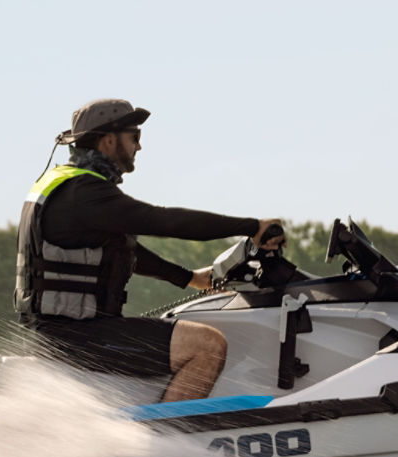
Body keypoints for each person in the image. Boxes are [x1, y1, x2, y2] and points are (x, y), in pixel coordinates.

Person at [14, 98, 283, 402]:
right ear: (109, 140)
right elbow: (164, 221)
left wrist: (189, 278)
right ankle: (169, 433)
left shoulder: (63, 184)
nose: (139, 146)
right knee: (207, 345)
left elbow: (121, 249)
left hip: (59, 332)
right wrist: (252, 226)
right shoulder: (85, 193)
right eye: (135, 136)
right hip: (76, 336)